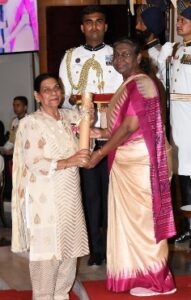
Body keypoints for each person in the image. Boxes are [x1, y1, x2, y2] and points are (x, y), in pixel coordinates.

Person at [87, 37, 176, 296]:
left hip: (140, 162)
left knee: (144, 221)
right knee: (130, 223)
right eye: (116, 55)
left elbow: (130, 127)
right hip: (127, 161)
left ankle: (159, 281)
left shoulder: (142, 83)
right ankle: (137, 274)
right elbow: (121, 127)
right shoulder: (129, 84)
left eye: (126, 54)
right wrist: (99, 132)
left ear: (139, 58)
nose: (120, 59)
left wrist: (101, 153)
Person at [11, 73, 91, 299]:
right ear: (37, 96)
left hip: (69, 196)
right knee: (47, 261)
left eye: (56, 88)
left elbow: (85, 142)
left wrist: (89, 121)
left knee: (68, 256)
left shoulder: (67, 117)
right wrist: (69, 161)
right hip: (44, 200)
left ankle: (61, 296)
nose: (53, 92)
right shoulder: (31, 122)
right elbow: (34, 162)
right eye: (46, 90)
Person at [59, 5, 123, 266]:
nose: (94, 27)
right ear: (82, 27)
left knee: (112, 192)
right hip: (84, 133)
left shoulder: (118, 54)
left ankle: (112, 245)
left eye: (99, 22)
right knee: (90, 193)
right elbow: (63, 99)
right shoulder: (70, 57)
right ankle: (95, 248)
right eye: (89, 22)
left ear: (105, 26)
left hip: (114, 130)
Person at [158, 0, 191, 243]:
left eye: (183, 20)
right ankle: (188, 223)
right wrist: (163, 60)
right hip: (177, 119)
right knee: (182, 174)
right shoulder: (178, 49)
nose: (179, 23)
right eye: (178, 19)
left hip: (189, 118)